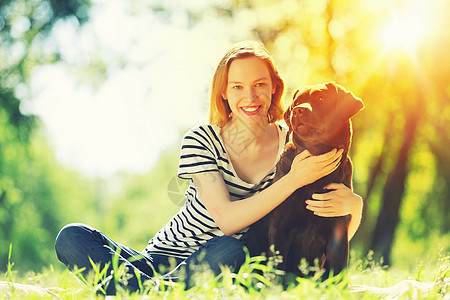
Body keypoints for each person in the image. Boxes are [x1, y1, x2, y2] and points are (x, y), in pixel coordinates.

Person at [54, 41, 363, 295]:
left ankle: (135, 293)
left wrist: (355, 207)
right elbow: (227, 220)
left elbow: (321, 231)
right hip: (161, 258)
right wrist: (293, 180)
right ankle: (159, 291)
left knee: (230, 250)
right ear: (224, 94)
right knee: (71, 237)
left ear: (274, 88)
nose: (250, 96)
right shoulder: (202, 139)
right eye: (238, 87)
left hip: (224, 260)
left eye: (259, 84)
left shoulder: (295, 142)